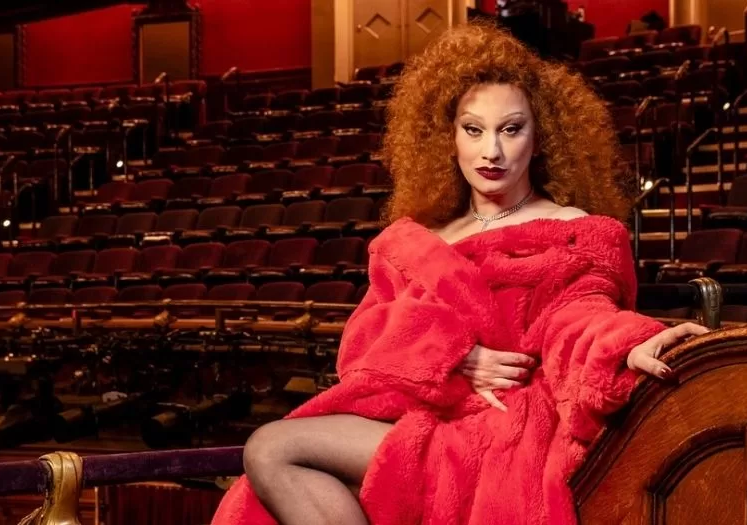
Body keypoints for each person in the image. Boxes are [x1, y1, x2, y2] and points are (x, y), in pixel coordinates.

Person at [211, 21, 708, 525]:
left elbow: (582, 315)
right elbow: (363, 343)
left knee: (273, 448)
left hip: (504, 428)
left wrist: (627, 345)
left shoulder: (575, 229)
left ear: (540, 141)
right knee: (269, 454)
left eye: (511, 129)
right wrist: (451, 356)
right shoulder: (413, 240)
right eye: (473, 129)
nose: (491, 151)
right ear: (449, 139)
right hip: (421, 417)